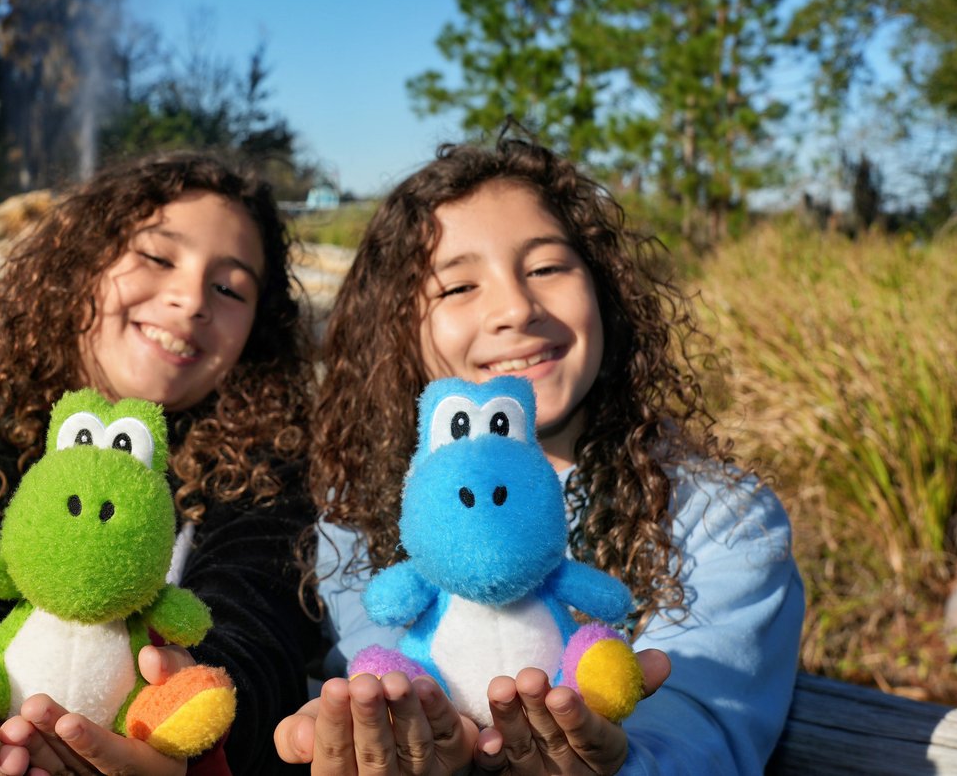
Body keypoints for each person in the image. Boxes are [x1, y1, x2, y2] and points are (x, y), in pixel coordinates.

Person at [277, 136, 804, 776]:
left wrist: (627, 762)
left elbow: (703, 719)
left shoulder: (724, 517)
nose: (516, 309)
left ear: (604, 290)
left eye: (547, 268)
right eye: (459, 286)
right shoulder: (354, 512)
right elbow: (382, 660)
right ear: (397, 333)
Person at [0, 152, 320, 776]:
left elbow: (258, 641)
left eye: (229, 288)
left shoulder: (261, 489)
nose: (192, 299)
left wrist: (190, 730)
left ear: (257, 332)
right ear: (78, 267)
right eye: (158, 257)